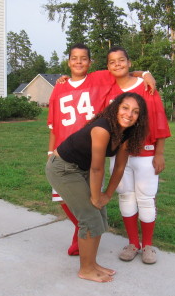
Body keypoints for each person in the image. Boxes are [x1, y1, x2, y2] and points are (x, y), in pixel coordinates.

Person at [47, 43, 156, 256]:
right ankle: (82, 227)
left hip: (90, 148)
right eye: (74, 58)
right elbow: (53, 125)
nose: (78, 62)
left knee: (88, 196)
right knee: (64, 198)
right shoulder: (59, 86)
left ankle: (84, 232)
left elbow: (121, 69)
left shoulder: (98, 78)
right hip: (64, 149)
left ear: (90, 62)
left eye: (83, 58)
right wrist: (50, 151)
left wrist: (144, 73)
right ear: (68, 61)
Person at [45, 92, 149, 282]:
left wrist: (107, 195)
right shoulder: (102, 129)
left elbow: (119, 167)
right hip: (63, 168)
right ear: (116, 107)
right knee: (90, 216)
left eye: (136, 112)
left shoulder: (127, 132)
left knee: (100, 216)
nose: (129, 114)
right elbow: (97, 168)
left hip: (81, 170)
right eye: (125, 108)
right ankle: (86, 269)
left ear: (139, 117)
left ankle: (92, 263)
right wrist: (96, 197)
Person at [106, 46, 171, 264]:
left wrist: (159, 152)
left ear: (129, 62)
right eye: (112, 62)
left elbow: (159, 119)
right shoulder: (108, 87)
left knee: (145, 198)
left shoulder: (146, 86)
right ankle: (133, 243)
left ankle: (148, 245)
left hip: (145, 153)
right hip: (119, 153)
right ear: (107, 66)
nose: (117, 64)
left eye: (121, 60)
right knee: (125, 196)